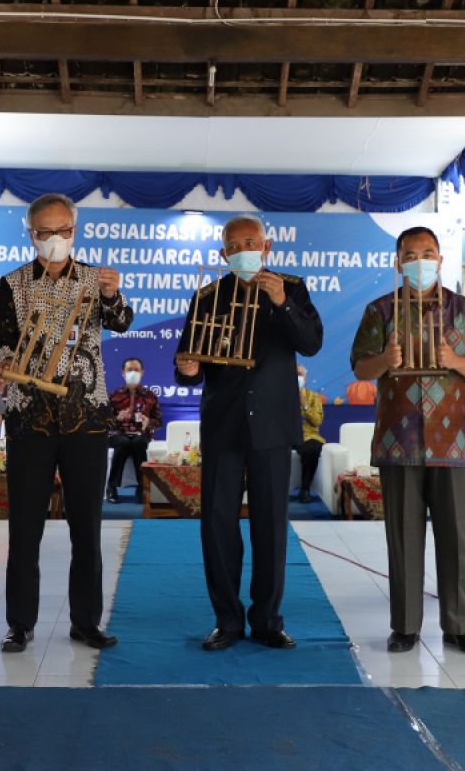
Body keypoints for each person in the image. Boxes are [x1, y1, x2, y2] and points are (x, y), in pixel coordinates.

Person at [0, 192, 133, 653]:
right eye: (45, 232)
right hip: (29, 419)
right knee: (25, 525)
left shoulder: (95, 279)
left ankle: (86, 621)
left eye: (63, 230)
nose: (55, 239)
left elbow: (123, 321)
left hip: (86, 420)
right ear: (31, 234)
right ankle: (20, 623)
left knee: (86, 525)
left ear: (76, 230)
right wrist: (11, 365)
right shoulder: (11, 283)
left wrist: (111, 295)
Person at [175, 214, 323, 651]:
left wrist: (282, 303)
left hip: (274, 425)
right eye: (234, 245)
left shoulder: (291, 287)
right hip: (223, 423)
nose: (243, 250)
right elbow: (188, 361)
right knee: (218, 525)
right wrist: (186, 369)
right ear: (223, 254)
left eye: (251, 242)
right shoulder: (207, 296)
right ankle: (227, 620)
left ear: (267, 246)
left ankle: (268, 619)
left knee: (271, 525)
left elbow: (312, 342)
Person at [350, 226, 465, 655]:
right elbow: (360, 369)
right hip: (400, 443)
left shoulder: (464, 311)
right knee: (404, 538)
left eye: (427, 253)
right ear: (397, 263)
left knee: (457, 540)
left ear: (441, 259)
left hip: (456, 445)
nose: (419, 261)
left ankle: (459, 626)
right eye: (410, 255)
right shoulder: (380, 311)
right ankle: (406, 627)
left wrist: (456, 361)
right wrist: (385, 360)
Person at [106, 356, 162, 503]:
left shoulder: (150, 396)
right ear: (123, 373)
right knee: (123, 443)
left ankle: (142, 488)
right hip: (118, 434)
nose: (133, 373)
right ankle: (112, 487)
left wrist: (148, 422)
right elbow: (103, 421)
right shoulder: (113, 395)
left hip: (141, 434)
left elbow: (159, 421)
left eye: (136, 370)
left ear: (142, 373)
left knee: (139, 443)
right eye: (129, 370)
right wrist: (116, 418)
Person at [293, 364, 325, 503]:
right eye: (295, 374)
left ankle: (305, 489)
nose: (298, 377)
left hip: (307, 435)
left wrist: (305, 405)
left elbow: (317, 421)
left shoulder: (313, 396)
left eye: (300, 374)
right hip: (285, 435)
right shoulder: (280, 395)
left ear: (305, 378)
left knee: (313, 448)